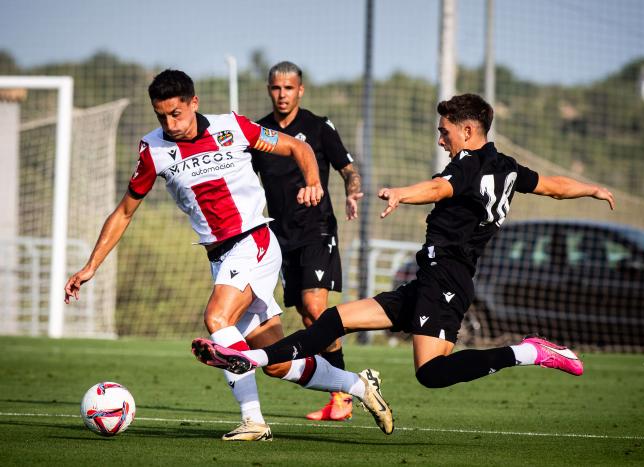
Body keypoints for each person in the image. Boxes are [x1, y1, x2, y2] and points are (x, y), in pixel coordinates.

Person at [192, 94, 616, 424]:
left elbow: (438, 189)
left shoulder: (467, 166)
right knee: (335, 321)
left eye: (444, 131)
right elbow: (553, 185)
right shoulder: (505, 166)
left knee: (431, 372)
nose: (440, 139)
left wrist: (400, 194)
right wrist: (592, 188)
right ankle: (254, 358)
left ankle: (528, 352)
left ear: (468, 131)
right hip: (430, 278)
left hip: (447, 279)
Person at [64, 69, 392, 441]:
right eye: (161, 116)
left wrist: (314, 182)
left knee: (217, 317)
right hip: (221, 258)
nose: (170, 124)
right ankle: (358, 386)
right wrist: (92, 266)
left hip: (254, 241)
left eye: (177, 114)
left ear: (194, 103)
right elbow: (124, 211)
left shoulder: (231, 127)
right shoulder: (153, 150)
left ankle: (254, 421)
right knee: (278, 363)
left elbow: (297, 147)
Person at [250, 61, 363, 421]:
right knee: (307, 315)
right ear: (269, 90)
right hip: (280, 238)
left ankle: (343, 396)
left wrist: (352, 193)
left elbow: (348, 168)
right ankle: (340, 389)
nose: (282, 95)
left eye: (289, 88)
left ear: (301, 90)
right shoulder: (260, 132)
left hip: (317, 229)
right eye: (275, 88)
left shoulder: (318, 127)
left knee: (316, 308)